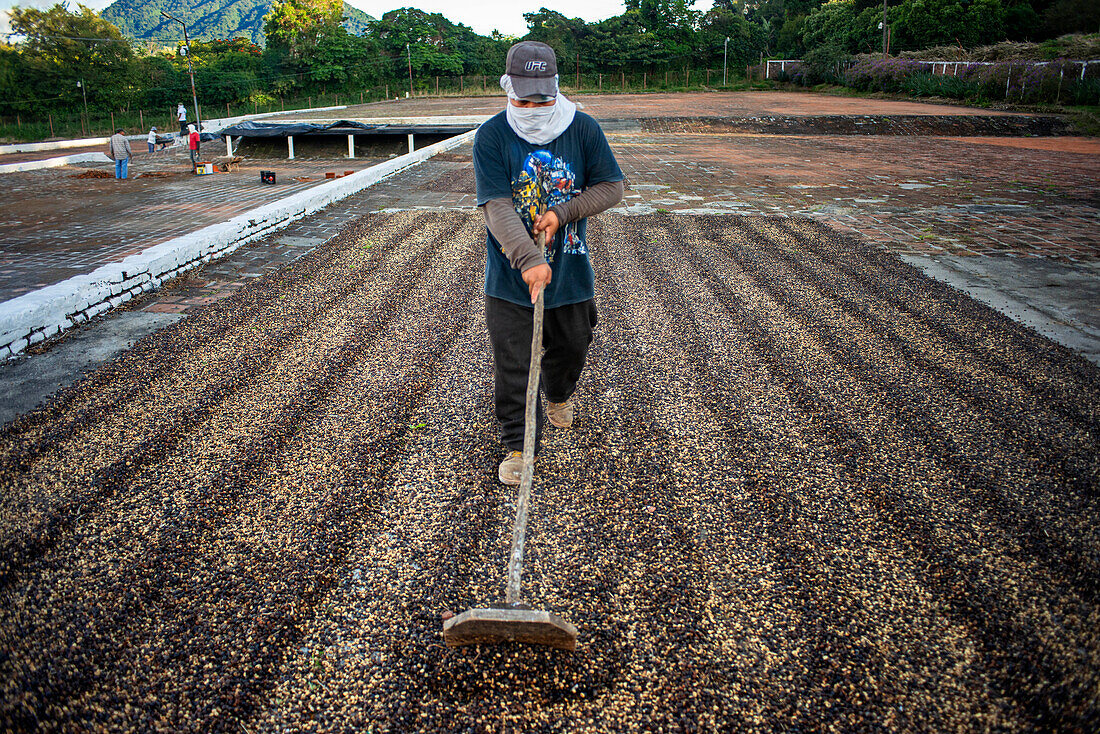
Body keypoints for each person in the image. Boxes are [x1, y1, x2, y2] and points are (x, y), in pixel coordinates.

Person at [473, 41, 624, 485]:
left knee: (573, 343)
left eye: (543, 97)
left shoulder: (583, 130)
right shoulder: (492, 136)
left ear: (556, 87)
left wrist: (561, 213)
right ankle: (521, 445)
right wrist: (527, 257)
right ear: (508, 88)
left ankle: (558, 394)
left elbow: (611, 186)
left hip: (570, 270)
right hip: (510, 274)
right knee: (514, 361)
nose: (534, 106)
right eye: (524, 98)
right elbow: (496, 205)